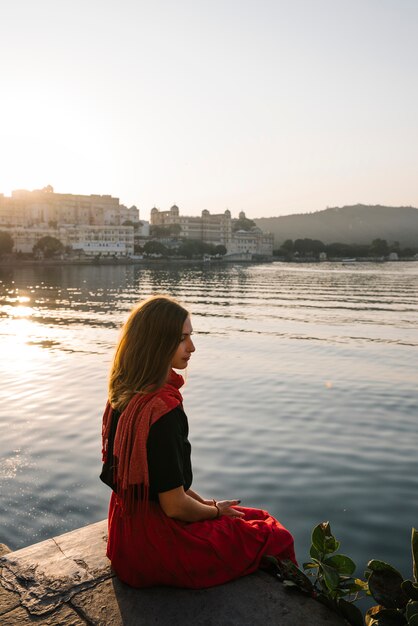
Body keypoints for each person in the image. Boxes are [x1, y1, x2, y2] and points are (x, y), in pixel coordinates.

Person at [100, 295, 296, 588]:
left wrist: (206, 504)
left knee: (247, 516)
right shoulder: (161, 411)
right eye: (182, 338)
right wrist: (215, 511)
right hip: (154, 548)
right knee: (274, 533)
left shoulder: (123, 397)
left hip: (125, 537)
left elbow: (162, 482)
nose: (192, 347)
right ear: (157, 343)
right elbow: (174, 506)